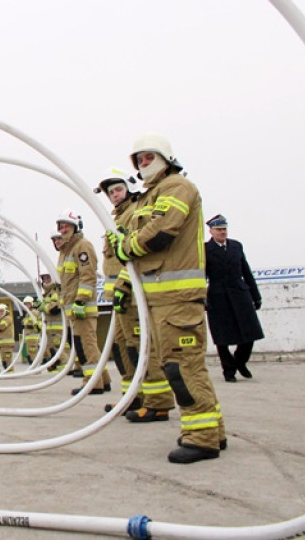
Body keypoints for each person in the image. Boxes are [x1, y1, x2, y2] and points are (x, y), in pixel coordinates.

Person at [111, 133, 226, 463]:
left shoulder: (177, 187)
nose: (144, 164)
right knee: (184, 367)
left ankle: (202, 438)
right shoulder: (151, 195)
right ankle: (212, 430)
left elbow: (161, 231)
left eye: (149, 157)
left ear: (165, 157)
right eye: (139, 160)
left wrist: (125, 247)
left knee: (181, 368)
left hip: (178, 299)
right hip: (160, 299)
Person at [96, 169, 175, 422]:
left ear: (129, 189)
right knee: (124, 348)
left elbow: (135, 255)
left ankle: (158, 402)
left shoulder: (134, 213)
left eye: (117, 190)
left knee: (141, 347)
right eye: (110, 193)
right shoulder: (116, 218)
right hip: (119, 296)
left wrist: (126, 284)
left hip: (131, 293)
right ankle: (134, 396)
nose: (114, 196)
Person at [204, 214, 264, 383]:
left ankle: (240, 362)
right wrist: (202, 298)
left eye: (224, 229)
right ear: (211, 231)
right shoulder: (205, 250)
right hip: (218, 296)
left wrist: (255, 296)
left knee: (250, 333)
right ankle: (228, 370)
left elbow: (246, 271)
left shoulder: (236, 246)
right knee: (222, 337)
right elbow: (202, 276)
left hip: (240, 294)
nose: (223, 232)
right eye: (219, 229)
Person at [56, 210, 110, 395]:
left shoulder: (82, 246)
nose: (63, 230)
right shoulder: (66, 250)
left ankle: (92, 383)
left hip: (82, 307)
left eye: (66, 226)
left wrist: (80, 300)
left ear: (76, 227)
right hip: (73, 308)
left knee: (85, 344)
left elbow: (88, 276)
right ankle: (103, 379)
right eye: (61, 226)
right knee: (88, 344)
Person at [39, 262, 65, 371]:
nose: (46, 280)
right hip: (49, 329)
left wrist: (43, 307)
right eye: (44, 278)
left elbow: (53, 308)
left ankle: (64, 369)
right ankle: (55, 368)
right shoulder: (46, 295)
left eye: (48, 278)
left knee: (59, 350)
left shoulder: (56, 292)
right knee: (51, 350)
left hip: (57, 329)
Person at [0, 303, 17, 371]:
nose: (0, 313)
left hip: (7, 345)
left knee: (8, 361)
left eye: (2, 311)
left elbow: (1, 327)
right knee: (4, 362)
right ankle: (8, 373)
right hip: (2, 345)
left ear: (6, 311)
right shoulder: (1, 320)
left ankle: (10, 374)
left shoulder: (7, 318)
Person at [20, 295, 41, 364]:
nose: (26, 305)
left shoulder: (33, 312)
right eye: (25, 304)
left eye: (28, 304)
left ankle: (35, 367)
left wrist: (24, 322)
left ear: (31, 304)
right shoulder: (28, 313)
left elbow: (31, 322)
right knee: (30, 353)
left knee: (33, 352)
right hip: (29, 336)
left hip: (33, 335)